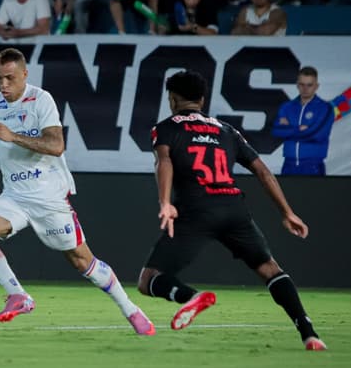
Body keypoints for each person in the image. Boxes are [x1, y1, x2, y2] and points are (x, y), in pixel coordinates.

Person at [0, 48, 155, 336]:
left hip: (49, 199)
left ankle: (131, 310)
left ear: (25, 74)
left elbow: (56, 145)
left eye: (10, 78)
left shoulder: (41, 100)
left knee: (83, 262)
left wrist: (12, 136)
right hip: (14, 197)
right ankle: (18, 295)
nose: (4, 85)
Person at [138, 70, 327, 351]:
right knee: (270, 269)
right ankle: (310, 333)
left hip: (196, 209)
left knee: (147, 279)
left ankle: (189, 297)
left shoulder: (167, 127)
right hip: (233, 207)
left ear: (173, 100)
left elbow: (163, 162)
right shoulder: (226, 130)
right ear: (202, 99)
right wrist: (287, 212)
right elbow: (263, 171)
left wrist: (165, 202)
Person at [271, 67, 334, 175]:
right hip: (288, 165)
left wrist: (289, 130)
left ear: (316, 86)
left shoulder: (325, 108)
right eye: (302, 84)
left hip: (313, 165)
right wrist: (298, 129)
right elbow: (276, 131)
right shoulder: (287, 107)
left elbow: (318, 135)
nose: (305, 88)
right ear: (297, 85)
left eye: (309, 85)